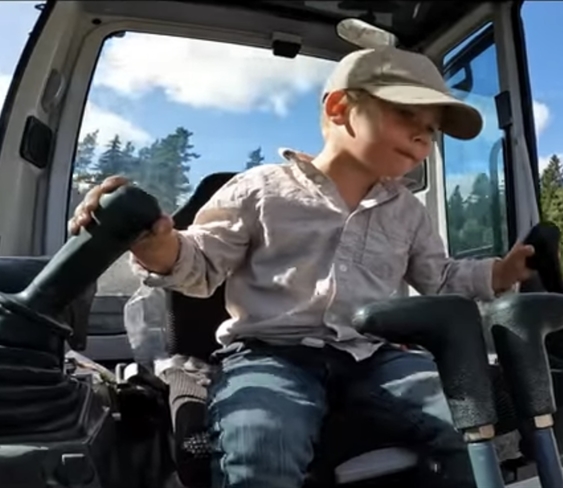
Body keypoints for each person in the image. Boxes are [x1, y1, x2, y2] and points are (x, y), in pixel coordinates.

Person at [68, 45, 535, 488]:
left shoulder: (408, 211)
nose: (422, 135)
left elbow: (442, 278)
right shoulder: (260, 190)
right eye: (406, 115)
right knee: (260, 441)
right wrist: (157, 245)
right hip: (272, 354)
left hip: (375, 354)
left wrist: (500, 273)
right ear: (338, 109)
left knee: (468, 422)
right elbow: (201, 262)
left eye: (431, 129)